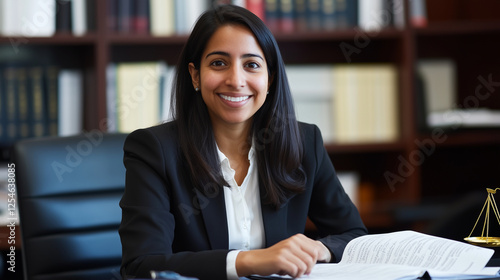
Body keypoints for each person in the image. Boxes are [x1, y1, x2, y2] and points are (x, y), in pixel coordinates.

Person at [119, 4, 367, 280]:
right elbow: (142, 266)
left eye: (251, 65)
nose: (236, 80)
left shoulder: (304, 143)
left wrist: (318, 249)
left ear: (270, 78)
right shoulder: (155, 151)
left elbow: (354, 236)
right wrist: (250, 261)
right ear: (195, 75)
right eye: (218, 63)